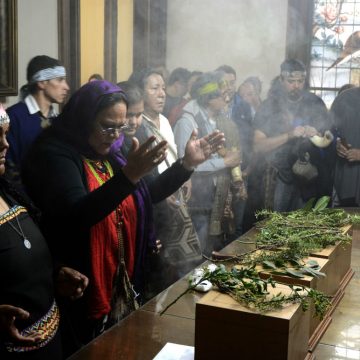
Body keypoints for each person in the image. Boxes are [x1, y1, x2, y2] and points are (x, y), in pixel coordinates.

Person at [21, 80, 224, 354]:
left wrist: (186, 164)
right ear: (84, 118)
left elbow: (146, 194)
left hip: (122, 277)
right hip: (80, 283)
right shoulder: (55, 153)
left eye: (120, 126)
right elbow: (76, 215)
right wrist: (129, 176)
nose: (115, 134)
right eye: (107, 126)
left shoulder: (114, 152)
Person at [0, 103, 88, 359]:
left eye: (6, 134)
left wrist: (55, 273)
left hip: (49, 343)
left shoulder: (7, 190)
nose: (5, 144)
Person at [128, 69, 203, 298]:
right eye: (154, 88)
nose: (162, 94)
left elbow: (174, 157)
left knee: (172, 264)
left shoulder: (164, 121)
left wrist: (185, 172)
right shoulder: (136, 129)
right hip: (153, 200)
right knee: (157, 261)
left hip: (170, 191)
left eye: (163, 88)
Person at [253, 59, 334, 212]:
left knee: (303, 227)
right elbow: (258, 146)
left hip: (309, 176)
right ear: (282, 80)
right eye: (291, 81)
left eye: (300, 81)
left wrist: (316, 133)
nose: (296, 86)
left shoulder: (315, 103)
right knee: (276, 224)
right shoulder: (270, 106)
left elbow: (328, 137)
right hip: (279, 176)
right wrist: (290, 135)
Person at [174, 72, 241, 256]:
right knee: (197, 253)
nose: (226, 98)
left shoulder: (212, 121)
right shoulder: (187, 122)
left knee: (209, 249)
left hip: (210, 197)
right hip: (196, 199)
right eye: (221, 95)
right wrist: (225, 162)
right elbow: (184, 165)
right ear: (208, 99)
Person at [5, 55, 69, 188]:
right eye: (60, 80)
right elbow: (8, 170)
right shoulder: (14, 117)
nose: (66, 87)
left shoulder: (58, 121)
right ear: (41, 82)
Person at [331, 86, 360, 207]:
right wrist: (336, 143)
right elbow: (329, 130)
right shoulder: (344, 99)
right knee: (348, 223)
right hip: (347, 180)